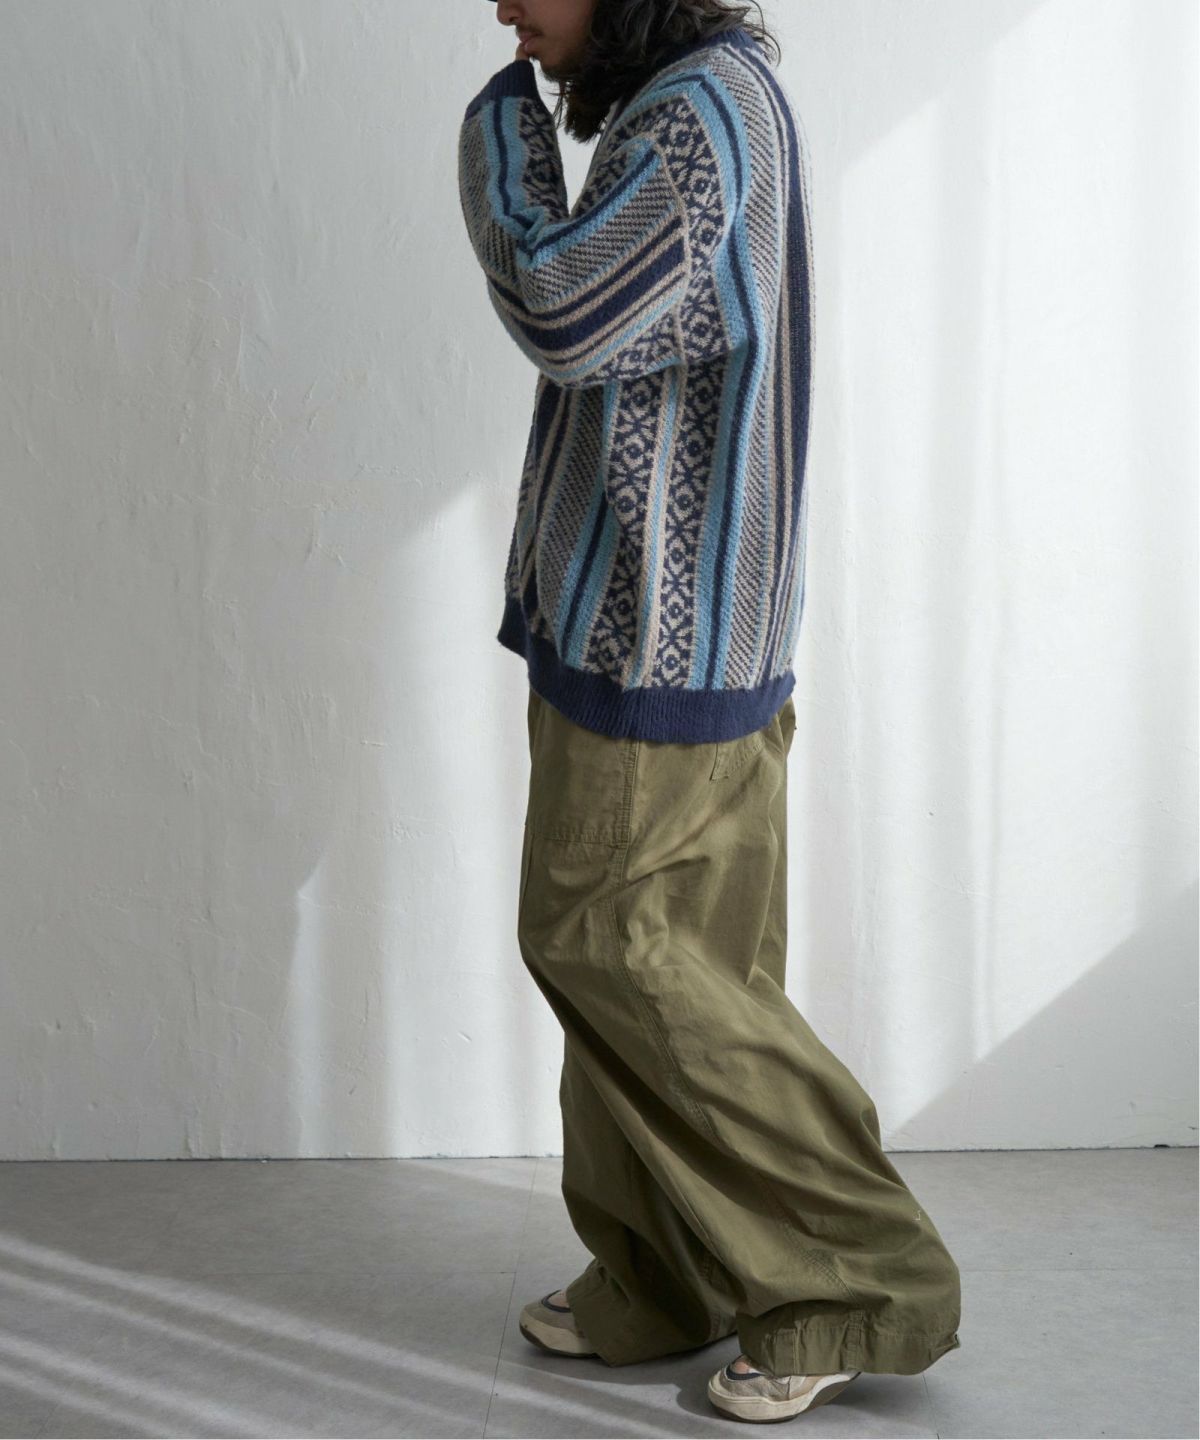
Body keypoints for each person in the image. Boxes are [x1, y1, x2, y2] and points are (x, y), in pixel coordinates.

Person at [457, 0, 962, 1422]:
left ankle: (854, 1277)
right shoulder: (692, 95)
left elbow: (565, 311)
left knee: (628, 957)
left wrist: (500, 147)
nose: (502, 9)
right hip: (659, 626)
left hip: (659, 640)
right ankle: (667, 1273)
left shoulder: (697, 119)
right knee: (663, 975)